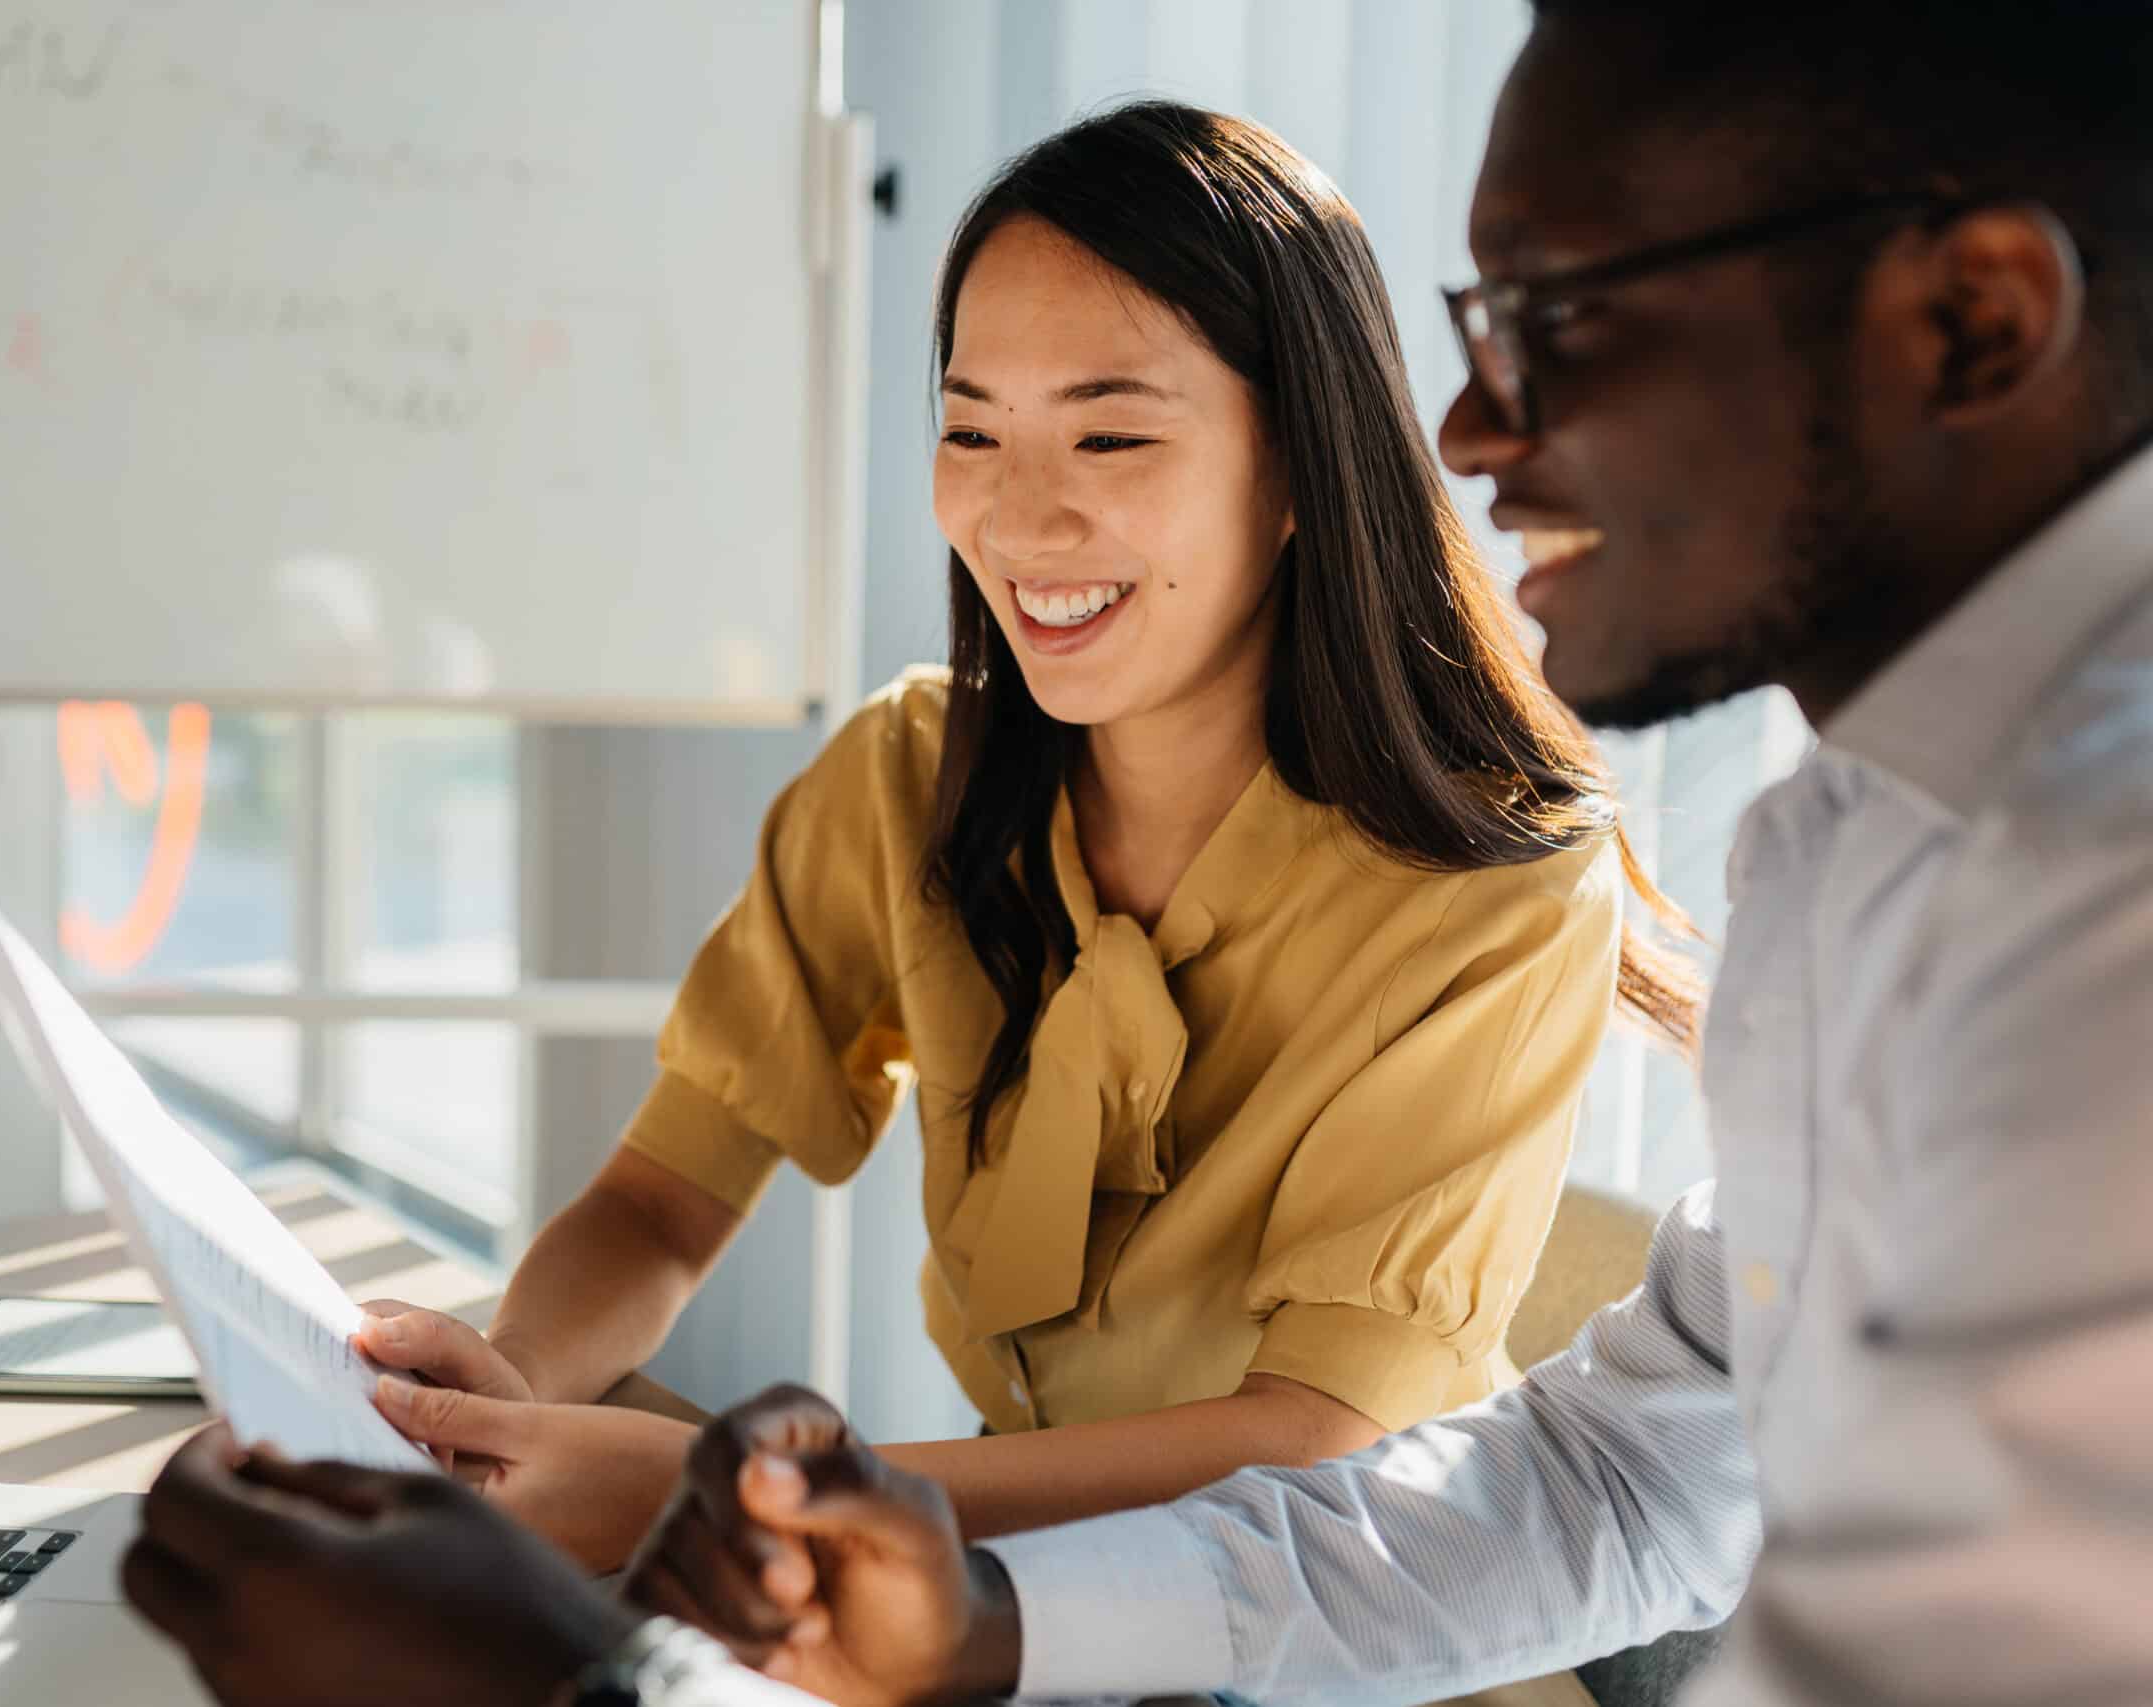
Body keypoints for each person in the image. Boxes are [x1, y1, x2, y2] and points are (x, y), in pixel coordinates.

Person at [119, 1, 2153, 1704]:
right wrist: (957, 1610)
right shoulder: (1853, 849)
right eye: (971, 423)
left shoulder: (2089, 942)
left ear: (1965, 319)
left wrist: (592, 1646)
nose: (1465, 428)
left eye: (1559, 316)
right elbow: (1630, 1485)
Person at [349, 98, 1695, 1588]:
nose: (1017, 514)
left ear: (1306, 466)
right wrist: (510, 1385)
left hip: (1347, 1649)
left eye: (1110, 433)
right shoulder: (910, 774)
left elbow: (1309, 1443)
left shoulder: (1498, 889)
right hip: (990, 1611)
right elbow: (664, 1197)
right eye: (971, 428)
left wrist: (734, 1491)